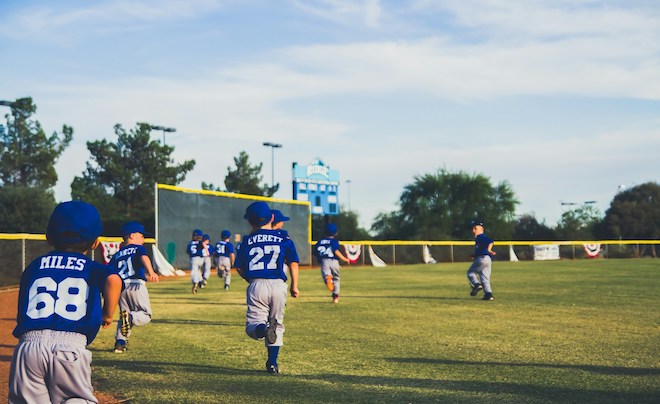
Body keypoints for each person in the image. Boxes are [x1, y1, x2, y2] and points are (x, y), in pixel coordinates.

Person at [9, 201, 122, 403]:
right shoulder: (90, 266)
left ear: (48, 237)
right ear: (95, 242)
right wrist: (107, 314)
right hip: (70, 345)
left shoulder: (34, 266)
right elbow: (114, 280)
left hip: (28, 346)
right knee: (75, 398)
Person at [235, 201, 299, 374]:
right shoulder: (284, 238)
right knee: (277, 324)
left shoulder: (247, 241)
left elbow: (239, 267)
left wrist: (251, 280)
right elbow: (293, 262)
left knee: (253, 327)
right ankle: (272, 363)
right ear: (272, 217)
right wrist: (295, 285)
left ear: (249, 222)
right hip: (279, 285)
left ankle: (263, 329)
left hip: (257, 284)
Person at [110, 221, 159, 353]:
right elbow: (144, 258)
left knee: (123, 317)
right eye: (141, 236)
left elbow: (109, 272)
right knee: (144, 315)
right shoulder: (138, 248)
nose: (143, 239)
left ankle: (120, 344)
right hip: (136, 285)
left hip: (121, 288)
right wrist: (151, 271)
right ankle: (131, 318)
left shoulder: (117, 254)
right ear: (132, 235)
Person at [313, 223, 351, 303]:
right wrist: (344, 259)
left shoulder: (320, 241)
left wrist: (319, 258)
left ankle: (328, 278)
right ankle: (335, 297)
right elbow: (335, 251)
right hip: (334, 261)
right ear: (335, 233)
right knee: (336, 278)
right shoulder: (334, 241)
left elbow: (315, 252)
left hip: (324, 261)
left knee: (327, 276)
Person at [467, 220, 496, 301]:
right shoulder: (478, 238)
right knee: (485, 278)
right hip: (487, 259)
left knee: (470, 273)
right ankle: (488, 294)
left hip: (482, 259)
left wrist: (489, 249)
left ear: (481, 229)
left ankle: (476, 284)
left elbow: (490, 241)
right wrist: (474, 255)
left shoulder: (480, 237)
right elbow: (481, 249)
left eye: (475, 228)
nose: (473, 231)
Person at [187, 229, 205, 294]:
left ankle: (196, 283)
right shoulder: (201, 243)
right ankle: (200, 280)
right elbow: (204, 247)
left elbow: (188, 252)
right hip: (201, 259)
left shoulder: (190, 243)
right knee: (198, 271)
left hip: (194, 259)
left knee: (194, 272)